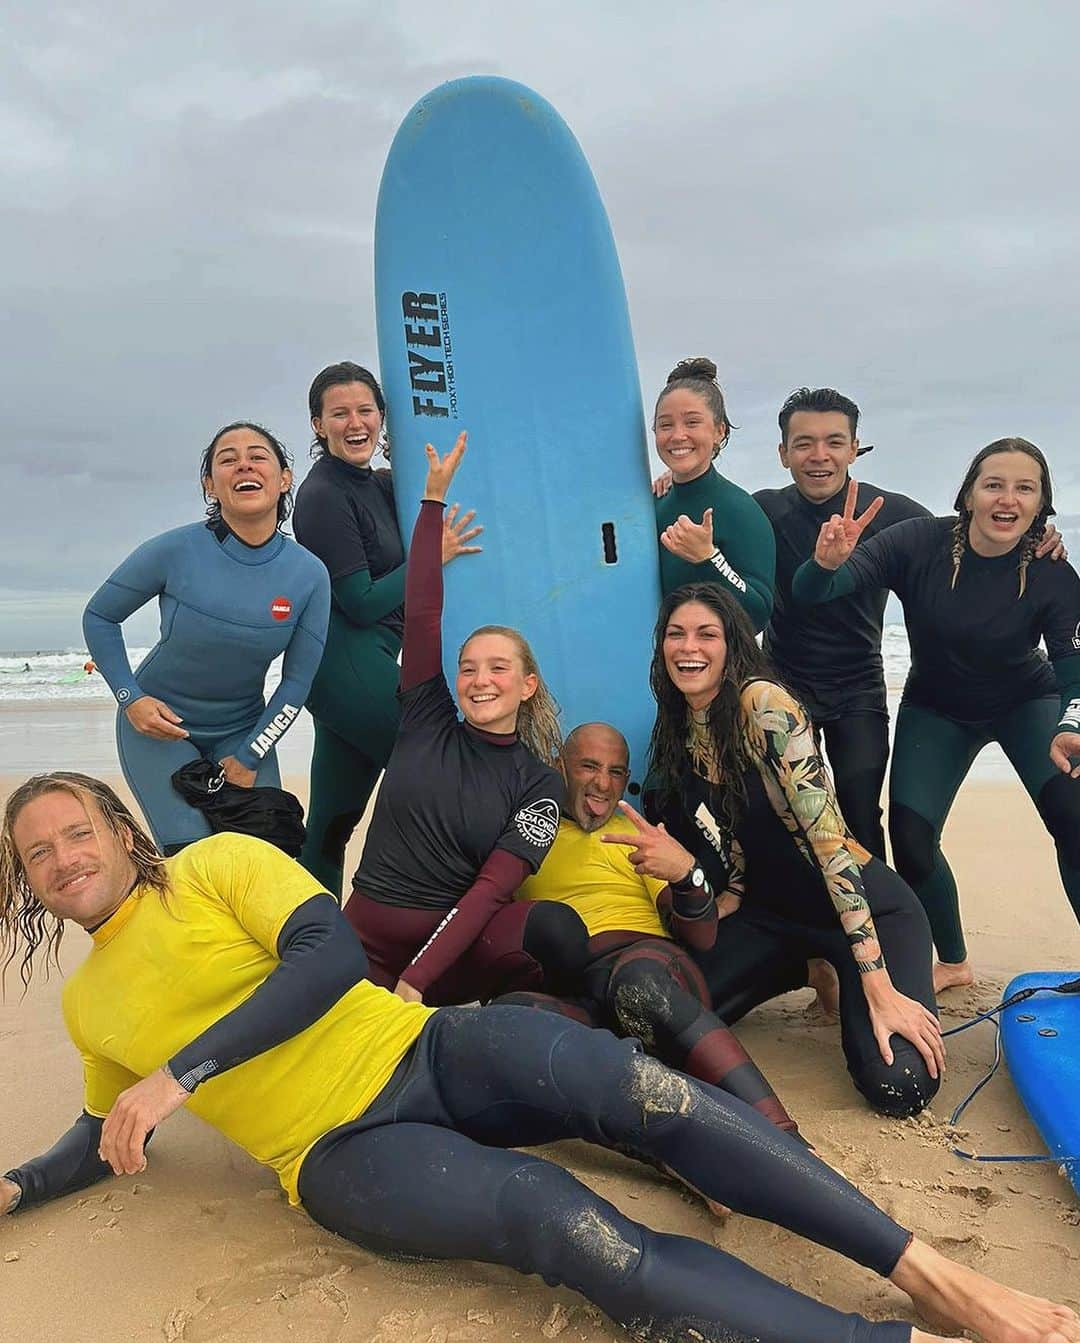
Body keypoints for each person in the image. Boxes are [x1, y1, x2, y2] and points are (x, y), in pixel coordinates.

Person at [4, 775, 1078, 1343]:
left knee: (645, 1089)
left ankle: (938, 1279)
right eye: (36, 852)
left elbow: (327, 956)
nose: (64, 856)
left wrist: (178, 1074)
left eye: (75, 828)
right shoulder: (92, 1003)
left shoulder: (217, 864)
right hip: (337, 1150)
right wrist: (23, 1179)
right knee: (565, 1225)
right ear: (25, 881)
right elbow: (103, 1131)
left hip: (425, 1046)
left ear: (119, 824)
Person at [644, 582, 945, 1118]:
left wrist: (877, 984)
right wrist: (732, 893)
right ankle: (810, 968)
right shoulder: (682, 718)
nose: (689, 648)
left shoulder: (764, 705)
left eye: (706, 634)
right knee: (663, 1028)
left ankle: (851, 974)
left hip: (867, 912)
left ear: (732, 643)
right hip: (772, 916)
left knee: (900, 1084)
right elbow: (734, 821)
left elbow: (831, 845)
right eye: (676, 634)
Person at [793, 439, 1080, 992]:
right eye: (994, 484)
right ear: (968, 492)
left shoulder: (1051, 572)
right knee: (913, 839)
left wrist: (1071, 724)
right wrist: (823, 565)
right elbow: (818, 592)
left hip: (1026, 702)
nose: (1007, 499)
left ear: (1041, 504)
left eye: (1026, 488)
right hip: (938, 708)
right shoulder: (916, 543)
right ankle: (953, 961)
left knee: (1073, 815)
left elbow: (1075, 673)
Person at [756, 388, 1066, 861]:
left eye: (834, 441)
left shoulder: (895, 516)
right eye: (803, 443)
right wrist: (666, 486)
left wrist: (1034, 531)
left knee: (860, 814)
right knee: (776, 811)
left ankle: (881, 925)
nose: (819, 455)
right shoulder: (762, 511)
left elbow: (968, 539)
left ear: (855, 447)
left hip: (856, 688)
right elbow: (708, 536)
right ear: (783, 453)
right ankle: (798, 921)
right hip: (781, 681)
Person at [343, 433, 581, 1006]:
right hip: (362, 939)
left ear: (527, 686)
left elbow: (490, 891)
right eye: (469, 668)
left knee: (553, 928)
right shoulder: (426, 717)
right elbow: (424, 612)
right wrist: (431, 501)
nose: (479, 680)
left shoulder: (540, 784)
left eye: (498, 668)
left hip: (444, 960)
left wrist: (416, 982)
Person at [506, 721, 800, 1137]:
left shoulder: (635, 832)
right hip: (581, 990)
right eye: (589, 767)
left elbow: (701, 935)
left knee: (638, 986)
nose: (603, 784)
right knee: (511, 1016)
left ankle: (782, 1136)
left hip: (651, 965)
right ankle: (674, 1156)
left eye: (615, 772)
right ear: (560, 766)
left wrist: (686, 876)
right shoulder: (529, 834)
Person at [82, 422, 330, 855]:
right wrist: (131, 698)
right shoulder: (175, 551)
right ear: (210, 485)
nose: (244, 465)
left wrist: (252, 753)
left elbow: (296, 684)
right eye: (227, 459)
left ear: (285, 478)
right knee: (195, 857)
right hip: (159, 729)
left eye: (257, 455)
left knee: (267, 857)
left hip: (243, 731)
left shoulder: (308, 575)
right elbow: (100, 616)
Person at [291, 362, 481, 898]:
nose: (356, 423)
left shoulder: (379, 484)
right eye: (340, 413)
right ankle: (441, 913)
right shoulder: (323, 495)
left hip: (350, 670)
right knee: (446, 778)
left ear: (382, 417)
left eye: (366, 410)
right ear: (317, 424)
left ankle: (309, 939)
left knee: (329, 828)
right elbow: (361, 600)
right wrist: (430, 555)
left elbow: (454, 475)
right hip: (346, 660)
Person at [652, 357, 776, 632]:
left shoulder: (740, 509)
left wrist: (707, 558)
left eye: (692, 422)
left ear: (719, 431)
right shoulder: (650, 504)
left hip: (714, 668)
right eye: (665, 425)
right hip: (656, 664)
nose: (678, 435)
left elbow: (757, 613)